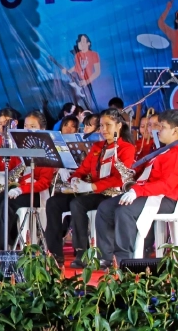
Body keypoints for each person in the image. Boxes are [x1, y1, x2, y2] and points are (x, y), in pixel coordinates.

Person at [44, 108, 135, 268]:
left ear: (119, 126)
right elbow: (83, 169)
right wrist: (74, 180)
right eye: (101, 125)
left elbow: (119, 178)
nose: (104, 129)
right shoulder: (97, 147)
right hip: (91, 191)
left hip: (110, 193)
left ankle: (82, 253)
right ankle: (55, 254)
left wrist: (92, 185)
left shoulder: (126, 148)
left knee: (77, 204)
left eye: (108, 125)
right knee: (53, 202)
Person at [95, 109, 178, 266]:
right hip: (149, 193)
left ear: (175, 131)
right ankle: (106, 257)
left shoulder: (175, 153)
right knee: (105, 208)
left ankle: (124, 260)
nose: (158, 130)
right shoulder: (164, 148)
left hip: (166, 198)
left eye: (162, 127)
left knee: (124, 211)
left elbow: (167, 185)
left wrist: (137, 190)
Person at [0, 111, 54, 250]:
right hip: (17, 189)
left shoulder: (47, 147)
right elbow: (16, 170)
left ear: (42, 129)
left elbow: (44, 182)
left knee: (6, 205)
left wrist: (22, 189)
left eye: (32, 126)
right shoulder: (20, 145)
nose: (28, 129)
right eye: (26, 125)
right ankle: (8, 241)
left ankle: (1, 247)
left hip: (35, 192)